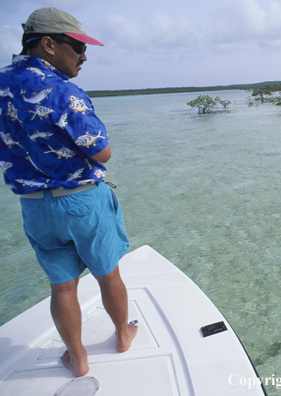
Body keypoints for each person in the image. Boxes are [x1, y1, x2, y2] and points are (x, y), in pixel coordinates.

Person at [0, 7, 137, 377]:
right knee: (109, 274)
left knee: (62, 287)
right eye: (77, 46)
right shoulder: (63, 91)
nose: (84, 55)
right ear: (48, 44)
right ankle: (123, 335)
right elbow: (102, 151)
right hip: (80, 201)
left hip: (33, 207)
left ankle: (77, 358)